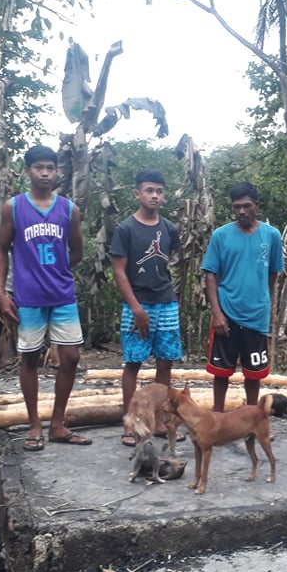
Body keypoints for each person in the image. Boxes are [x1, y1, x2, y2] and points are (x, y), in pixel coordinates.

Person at [0, 145, 91, 451]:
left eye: (50, 168)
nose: (45, 173)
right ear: (28, 171)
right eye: (39, 168)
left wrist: (56, 271)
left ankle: (58, 424)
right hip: (28, 297)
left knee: (71, 357)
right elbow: (1, 249)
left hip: (62, 294)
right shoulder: (13, 208)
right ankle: (35, 424)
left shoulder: (69, 209)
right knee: (30, 358)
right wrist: (1, 292)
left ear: (57, 171)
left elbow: (77, 251)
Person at [110, 169, 184, 447]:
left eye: (159, 191)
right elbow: (119, 271)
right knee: (133, 363)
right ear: (138, 193)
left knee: (165, 361)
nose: (154, 195)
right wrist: (136, 308)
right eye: (149, 190)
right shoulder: (125, 229)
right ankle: (131, 423)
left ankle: (160, 420)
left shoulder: (169, 229)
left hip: (166, 302)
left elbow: (166, 262)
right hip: (137, 304)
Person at [202, 181, 285, 412]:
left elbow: (273, 273)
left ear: (256, 206)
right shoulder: (221, 236)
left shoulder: (271, 236)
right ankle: (218, 416)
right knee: (221, 371)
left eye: (246, 206)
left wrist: (263, 300)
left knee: (253, 373)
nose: (241, 211)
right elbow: (210, 275)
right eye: (236, 206)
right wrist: (217, 313)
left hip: (256, 316)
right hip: (227, 313)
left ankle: (252, 417)